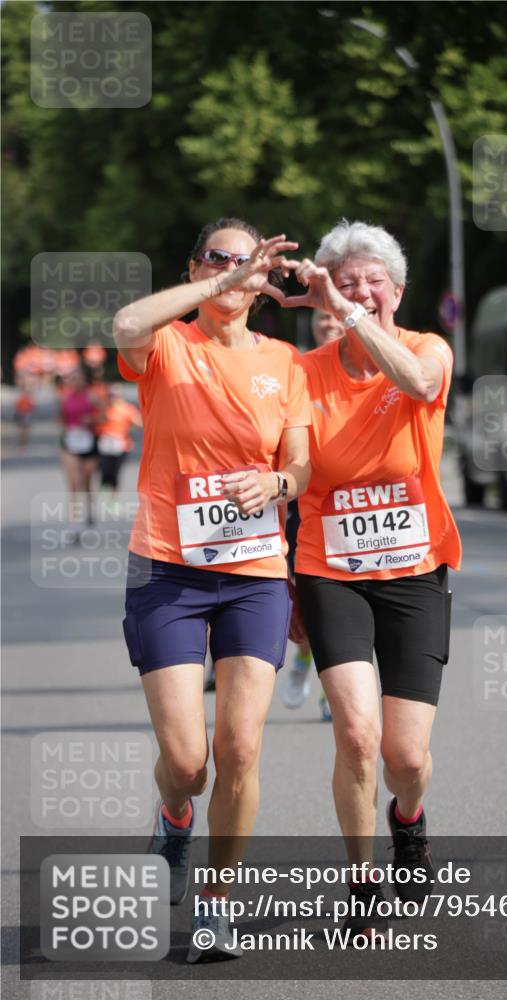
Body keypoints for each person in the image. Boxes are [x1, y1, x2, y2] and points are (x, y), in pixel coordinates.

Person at [112, 217, 309, 962]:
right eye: (218, 258)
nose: (232, 270)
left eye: (245, 262)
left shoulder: (285, 363)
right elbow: (125, 320)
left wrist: (279, 481)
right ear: (198, 268)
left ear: (265, 281)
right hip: (167, 568)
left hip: (254, 573)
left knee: (240, 747)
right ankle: (174, 810)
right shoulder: (165, 344)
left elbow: (300, 464)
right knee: (189, 761)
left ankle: (216, 904)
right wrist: (215, 285)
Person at [285, 220, 461, 937]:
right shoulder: (303, 373)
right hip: (330, 570)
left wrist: (350, 312)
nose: (361, 291)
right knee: (357, 736)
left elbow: (415, 382)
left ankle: (408, 817)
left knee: (405, 755)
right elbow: (292, 470)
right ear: (327, 289)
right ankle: (362, 884)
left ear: (396, 290)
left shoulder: (426, 349)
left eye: (372, 281)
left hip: (414, 572)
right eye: (345, 281)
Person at [280, 309, 345, 721]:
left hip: (350, 508)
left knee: (349, 608)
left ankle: (333, 692)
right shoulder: (296, 371)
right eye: (323, 316)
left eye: (338, 316)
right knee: (307, 605)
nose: (331, 323)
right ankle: (304, 658)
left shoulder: (366, 369)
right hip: (302, 505)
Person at [59, 366, 100, 536]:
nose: (76, 381)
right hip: (70, 443)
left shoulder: (92, 397)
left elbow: (104, 416)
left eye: (79, 377)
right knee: (74, 482)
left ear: (85, 380)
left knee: (87, 480)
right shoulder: (64, 398)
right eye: (73, 378)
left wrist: (91, 419)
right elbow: (62, 418)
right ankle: (74, 522)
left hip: (89, 442)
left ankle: (90, 508)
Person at [95, 385, 142, 503]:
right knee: (105, 468)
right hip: (105, 442)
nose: (113, 398)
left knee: (116, 470)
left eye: (116, 396)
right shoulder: (103, 407)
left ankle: (114, 498)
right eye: (111, 396)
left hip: (121, 444)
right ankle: (104, 487)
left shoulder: (127, 409)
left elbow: (138, 423)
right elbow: (96, 421)